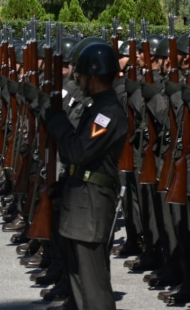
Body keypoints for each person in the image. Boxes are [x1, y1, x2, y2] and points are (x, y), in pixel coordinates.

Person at [33, 42, 127, 310]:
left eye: (81, 75)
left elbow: (78, 151)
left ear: (93, 77)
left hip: (92, 203)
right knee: (76, 277)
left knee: (93, 284)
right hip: (80, 199)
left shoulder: (107, 113)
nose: (78, 80)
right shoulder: (97, 107)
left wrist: (56, 120)